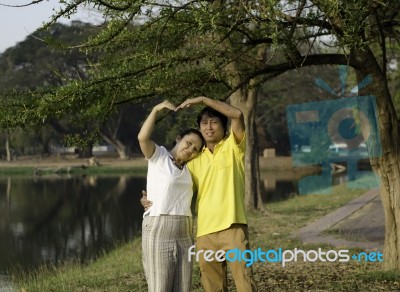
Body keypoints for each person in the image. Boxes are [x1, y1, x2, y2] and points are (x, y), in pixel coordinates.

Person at [142, 96, 258, 292]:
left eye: (214, 122)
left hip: (233, 226)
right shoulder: (194, 159)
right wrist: (148, 198)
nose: (209, 127)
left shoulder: (233, 146)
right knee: (212, 286)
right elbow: (173, 184)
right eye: (204, 123)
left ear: (224, 127)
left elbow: (237, 114)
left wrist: (202, 99)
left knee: (244, 282)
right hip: (204, 233)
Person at [138, 100, 205, 292]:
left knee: (183, 287)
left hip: (185, 230)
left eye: (195, 149)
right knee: (160, 287)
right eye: (189, 143)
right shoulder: (159, 156)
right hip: (160, 226)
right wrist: (155, 109)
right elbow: (143, 138)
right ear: (178, 139)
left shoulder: (189, 169)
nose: (191, 149)